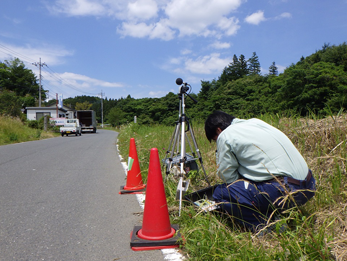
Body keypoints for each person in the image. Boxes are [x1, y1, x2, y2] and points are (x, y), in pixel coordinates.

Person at [204, 111, 316, 232]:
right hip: (309, 185)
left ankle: (268, 226)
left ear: (218, 130)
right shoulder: (256, 122)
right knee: (253, 184)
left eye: (215, 140)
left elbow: (227, 178)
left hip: (287, 191)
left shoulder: (225, 135)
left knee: (221, 193)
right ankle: (274, 211)